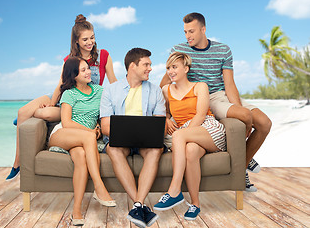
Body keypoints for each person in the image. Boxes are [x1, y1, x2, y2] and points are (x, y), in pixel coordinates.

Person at [160, 12, 272, 192]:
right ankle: (241, 164)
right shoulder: (179, 50)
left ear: (203, 29)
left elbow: (229, 84)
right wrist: (166, 114)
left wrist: (238, 107)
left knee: (265, 123)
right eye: (185, 32)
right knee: (244, 115)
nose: (188, 36)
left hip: (221, 95)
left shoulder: (223, 50)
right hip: (201, 97)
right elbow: (165, 85)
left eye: (191, 31)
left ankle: (242, 161)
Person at [6, 14, 117, 180]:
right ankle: (17, 162)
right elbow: (61, 84)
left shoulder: (104, 56)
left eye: (92, 38)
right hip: (67, 95)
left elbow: (113, 82)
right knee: (22, 112)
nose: (89, 42)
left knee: (44, 114)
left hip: (86, 102)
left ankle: (33, 114)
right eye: (85, 39)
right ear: (76, 41)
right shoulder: (69, 59)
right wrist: (52, 103)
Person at [153, 52, 226, 220]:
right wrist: (166, 119)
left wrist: (185, 134)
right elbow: (160, 111)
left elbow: (200, 115)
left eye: (174, 67)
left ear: (186, 69)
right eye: (168, 68)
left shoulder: (200, 86)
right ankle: (195, 204)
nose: (170, 71)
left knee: (179, 136)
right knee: (191, 151)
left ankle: (174, 190)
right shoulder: (166, 90)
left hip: (207, 127)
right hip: (187, 135)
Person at [100, 48, 166, 228]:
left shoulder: (155, 91)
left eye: (150, 65)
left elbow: (160, 124)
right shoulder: (110, 91)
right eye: (146, 64)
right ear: (132, 66)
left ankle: (137, 205)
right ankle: (141, 205)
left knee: (156, 149)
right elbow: (106, 127)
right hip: (119, 140)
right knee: (113, 148)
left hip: (147, 141)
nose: (150, 68)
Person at [49, 56, 116, 226]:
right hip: (64, 134)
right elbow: (67, 122)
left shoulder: (100, 91)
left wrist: (100, 128)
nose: (89, 72)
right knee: (87, 138)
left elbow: (105, 113)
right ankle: (99, 187)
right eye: (83, 70)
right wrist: (91, 132)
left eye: (88, 68)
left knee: (80, 157)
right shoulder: (69, 94)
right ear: (74, 75)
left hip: (82, 140)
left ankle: (76, 210)